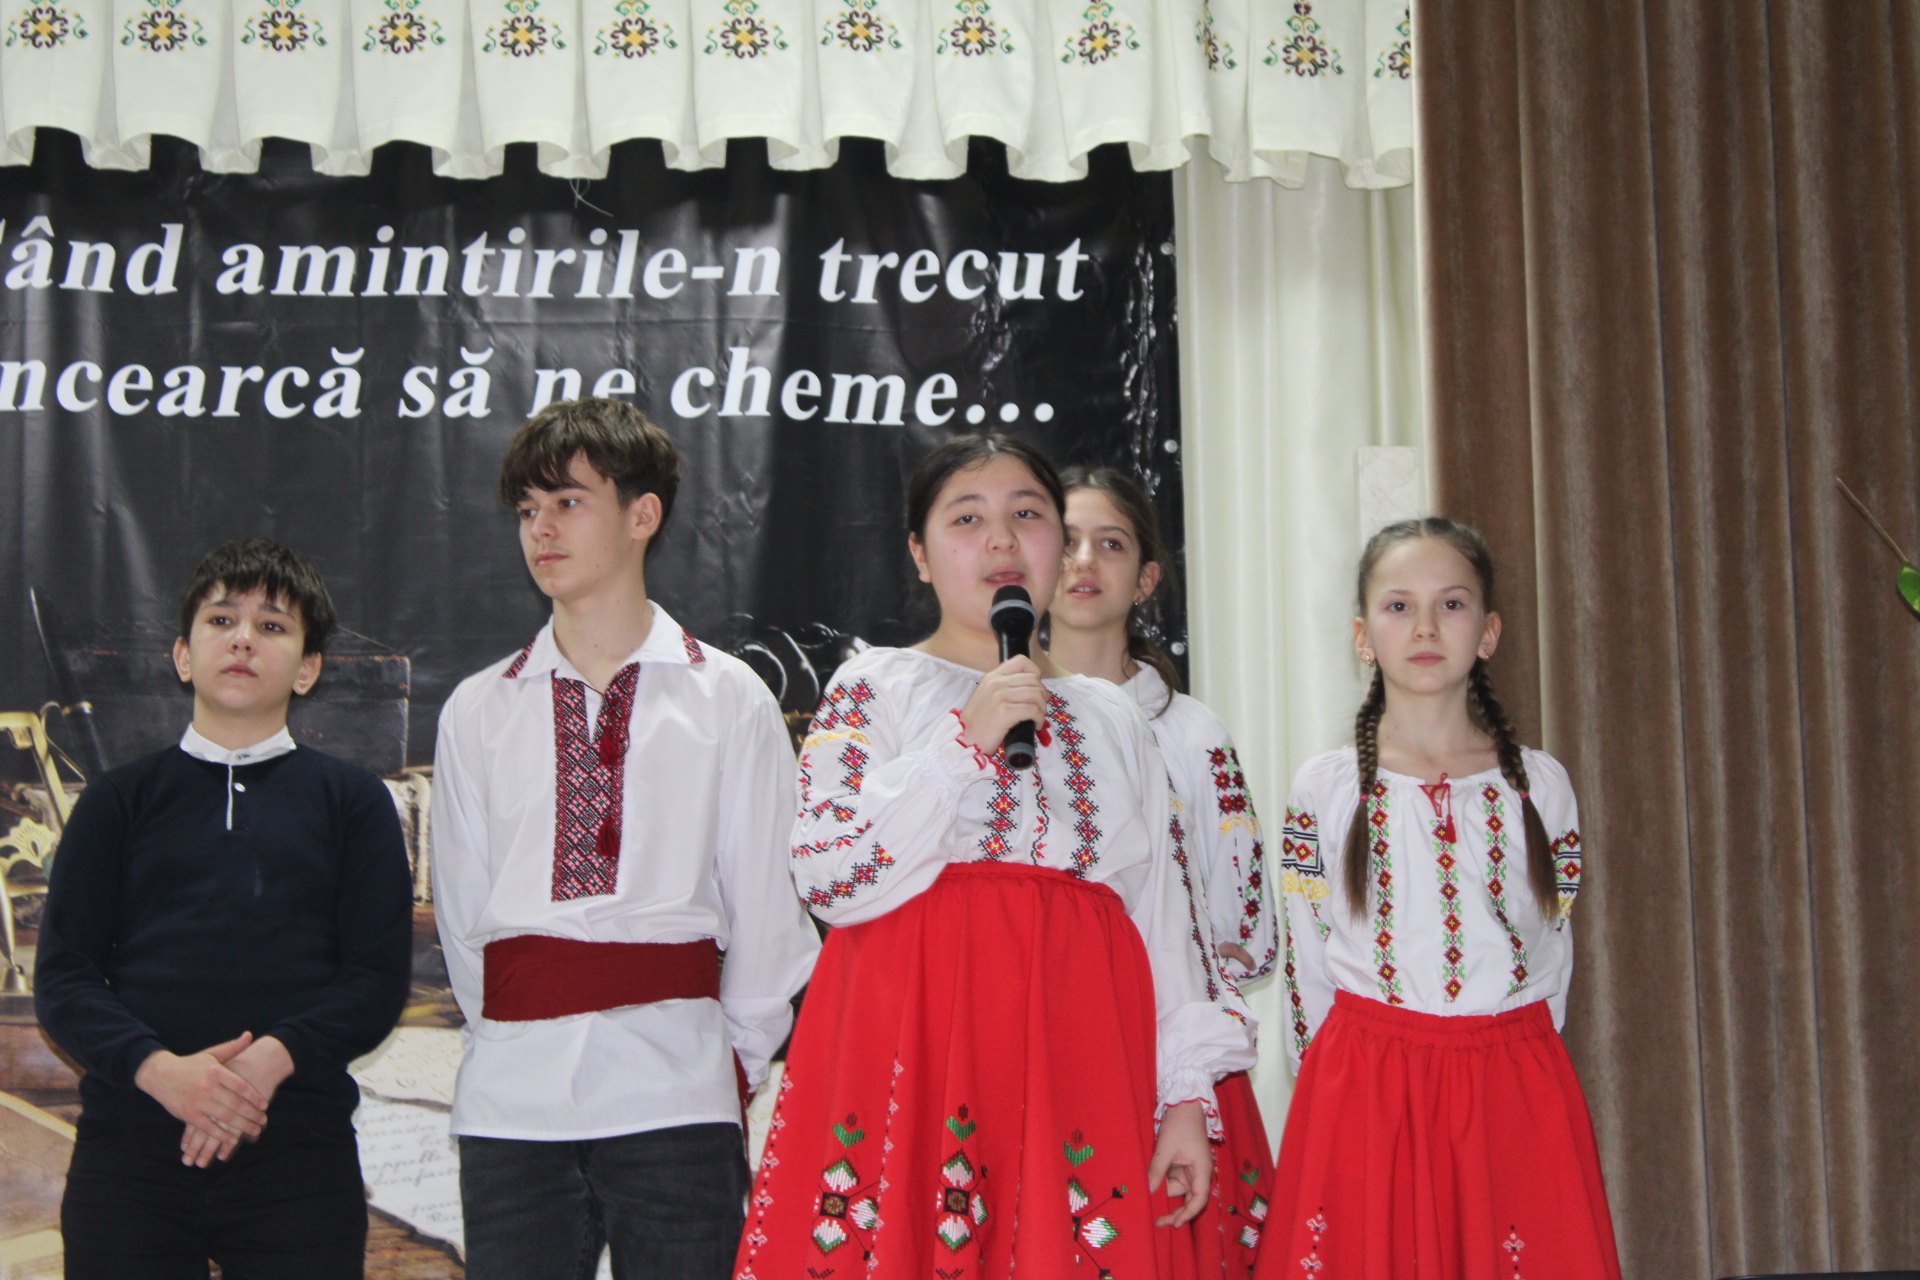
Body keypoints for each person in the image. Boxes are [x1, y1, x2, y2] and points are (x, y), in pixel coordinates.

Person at [734, 434, 1255, 1280]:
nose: (1003, 540)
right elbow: (828, 873)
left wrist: (1187, 1098)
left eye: (1028, 515)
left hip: (1077, 1046)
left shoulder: (1114, 717)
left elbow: (1163, 920)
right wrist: (961, 744)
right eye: (968, 519)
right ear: (920, 553)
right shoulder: (876, 687)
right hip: (914, 1039)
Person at [431, 398, 821, 1280]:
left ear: (643, 515)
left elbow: (768, 912)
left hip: (678, 1093)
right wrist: (510, 1041)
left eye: (567, 502)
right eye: (527, 510)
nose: (541, 529)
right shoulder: (480, 707)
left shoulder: (729, 697)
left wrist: (724, 1063)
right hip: (511, 1103)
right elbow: (462, 921)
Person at [35, 537, 413, 1280]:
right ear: (183, 656)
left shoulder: (354, 803)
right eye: (221, 620)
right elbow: (65, 980)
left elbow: (373, 979)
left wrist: (266, 1065)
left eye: (272, 625)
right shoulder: (117, 800)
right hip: (131, 1152)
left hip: (297, 1152)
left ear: (307, 669)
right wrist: (161, 1073)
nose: (243, 639)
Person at [1257, 518, 1620, 1280]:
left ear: (1488, 633)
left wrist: (1523, 1068)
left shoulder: (1540, 785)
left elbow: (1553, 948)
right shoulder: (1325, 789)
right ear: (1363, 637)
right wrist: (1328, 1099)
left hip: (1510, 1087)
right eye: (1399, 606)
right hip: (1367, 1090)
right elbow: (1308, 961)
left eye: (1451, 605)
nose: (1425, 627)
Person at [1046, 466, 1277, 1277]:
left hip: (1174, 1059)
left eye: (1110, 544)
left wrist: (1178, 1001)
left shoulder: (1192, 733)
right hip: (1047, 1044)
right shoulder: (999, 712)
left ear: (1146, 579)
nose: (1083, 562)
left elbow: (1247, 933)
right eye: (1065, 541)